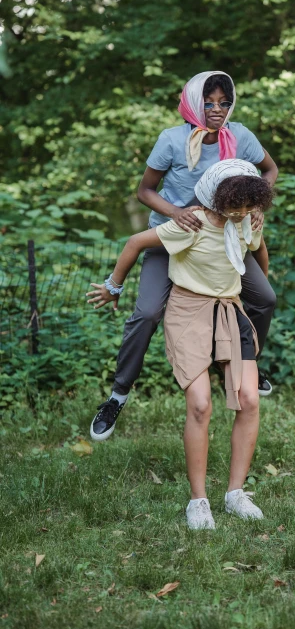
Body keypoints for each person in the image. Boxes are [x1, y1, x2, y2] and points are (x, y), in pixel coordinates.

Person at [88, 70, 278, 441]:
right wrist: (175, 211)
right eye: (209, 103)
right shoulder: (172, 140)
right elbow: (145, 190)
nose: (217, 109)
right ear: (194, 102)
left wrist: (257, 204)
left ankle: (250, 364)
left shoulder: (240, 136)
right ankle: (117, 395)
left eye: (224, 102)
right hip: (174, 235)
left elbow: (269, 170)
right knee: (146, 313)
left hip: (224, 237)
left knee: (266, 298)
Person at [87, 160, 273, 529]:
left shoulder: (246, 222)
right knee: (201, 404)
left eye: (249, 206)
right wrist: (113, 286)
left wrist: (258, 286)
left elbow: (259, 251)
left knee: (249, 399)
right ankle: (198, 501)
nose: (242, 212)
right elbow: (136, 242)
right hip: (189, 312)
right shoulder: (193, 223)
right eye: (236, 205)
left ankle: (236, 494)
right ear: (217, 198)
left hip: (230, 310)